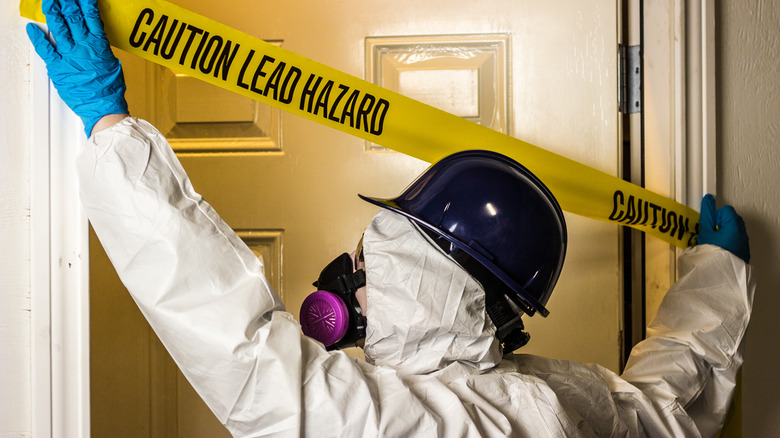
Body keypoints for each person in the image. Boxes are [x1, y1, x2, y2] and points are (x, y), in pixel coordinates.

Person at [27, 1, 755, 436]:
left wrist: (113, 131)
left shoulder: (409, 423)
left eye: (372, 264)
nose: (346, 279)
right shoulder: (553, 394)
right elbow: (667, 408)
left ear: (434, 279)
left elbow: (243, 351)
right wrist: (718, 276)